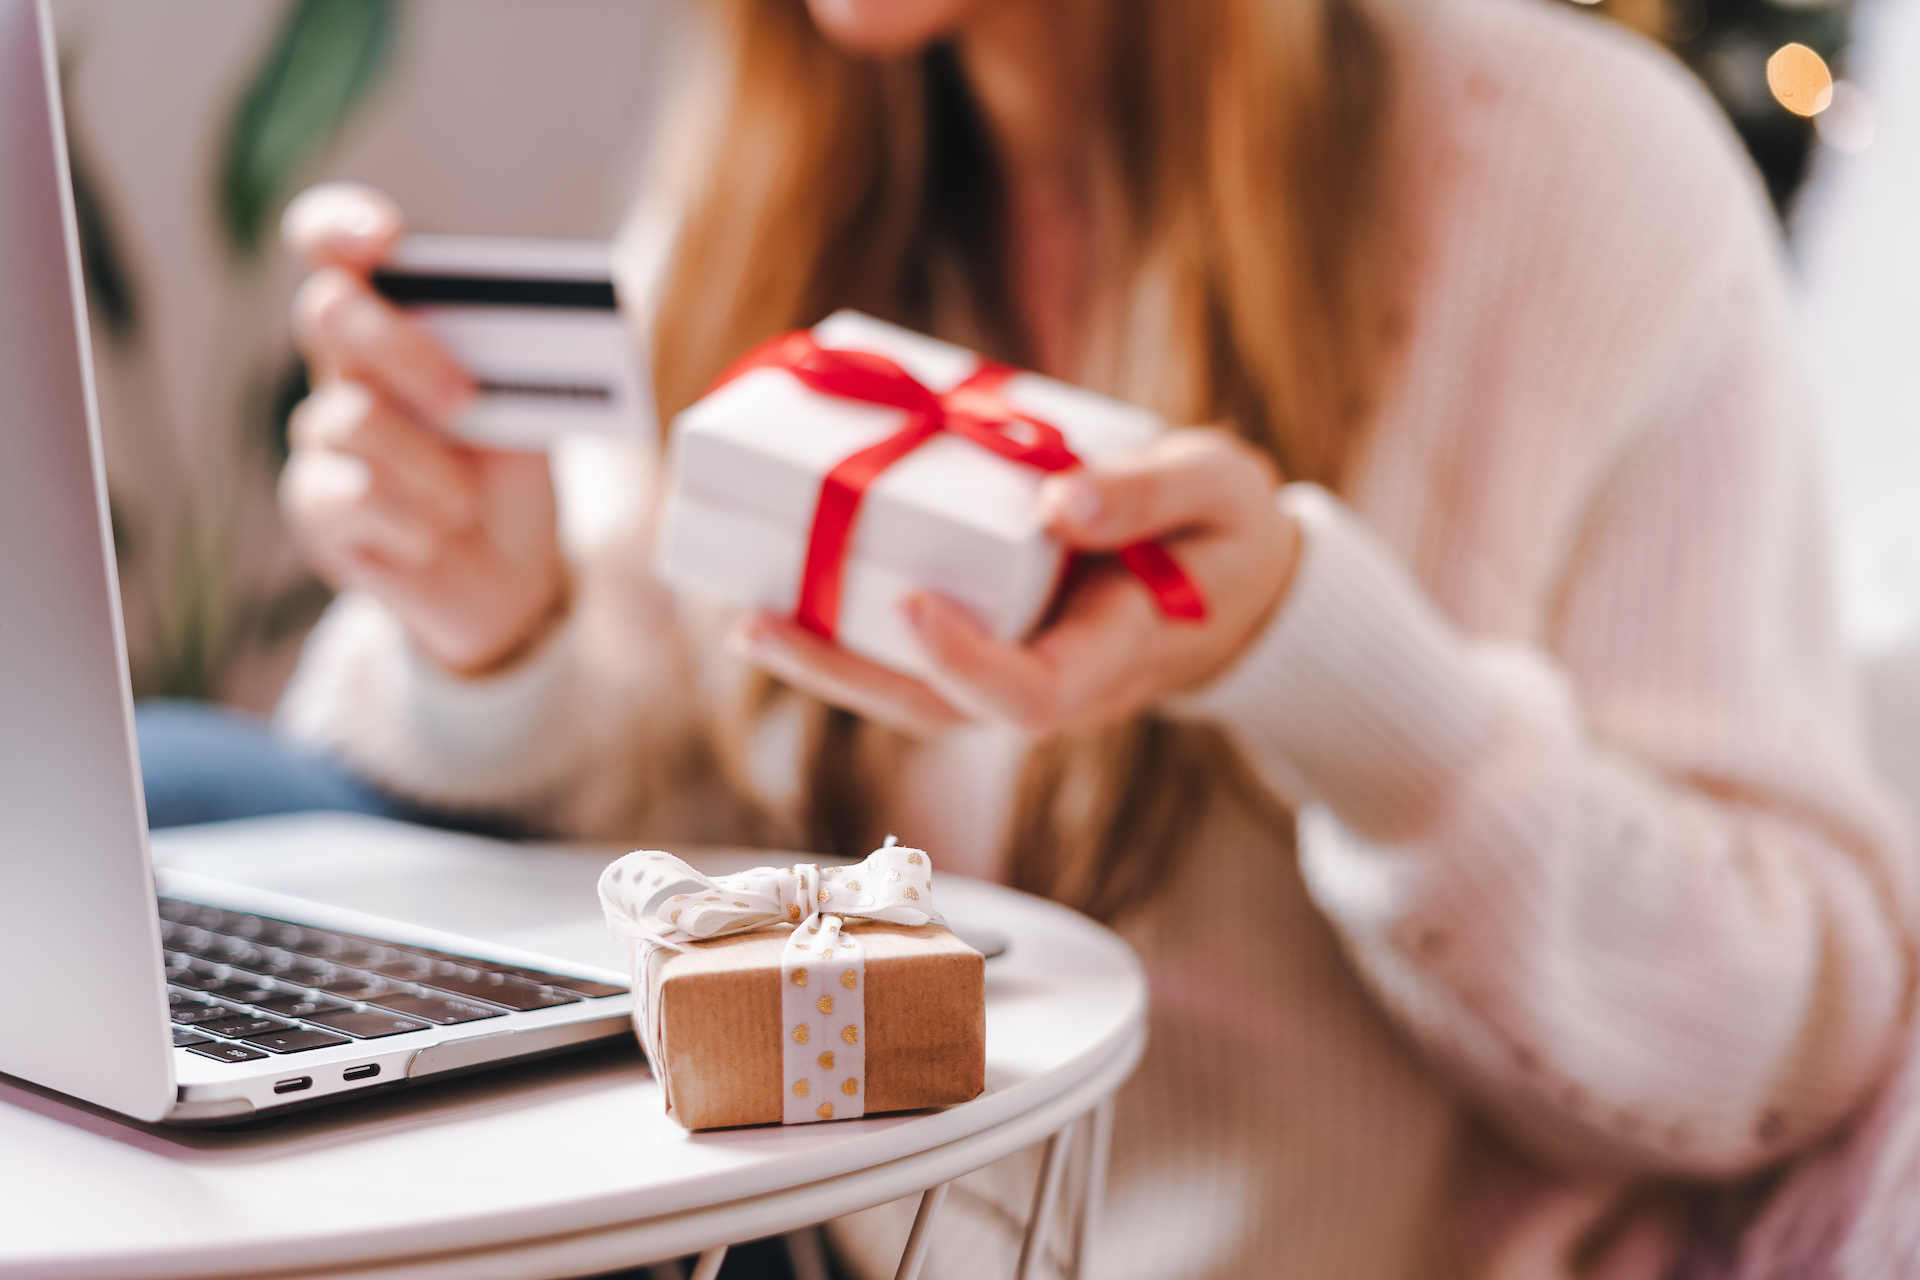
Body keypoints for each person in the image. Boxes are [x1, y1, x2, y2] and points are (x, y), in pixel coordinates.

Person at [264, 0, 1919, 1272]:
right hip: (798, 1225)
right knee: (194, 809)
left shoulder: (1579, 175)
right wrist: (503, 636)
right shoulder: (791, 158)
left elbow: (1794, 1034)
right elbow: (677, 841)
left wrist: (1313, 658)